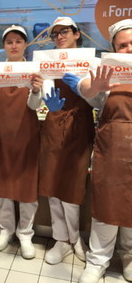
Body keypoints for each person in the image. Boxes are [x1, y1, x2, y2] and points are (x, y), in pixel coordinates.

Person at [78, 19, 132, 283]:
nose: (129, 49)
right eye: (123, 45)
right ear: (113, 48)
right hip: (112, 152)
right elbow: (84, 88)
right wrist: (95, 86)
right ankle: (97, 261)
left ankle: (130, 257)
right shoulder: (104, 72)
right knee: (106, 207)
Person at [39, 17, 94, 264]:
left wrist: (85, 90)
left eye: (64, 32)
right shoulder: (48, 61)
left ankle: (75, 239)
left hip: (79, 125)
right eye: (55, 34)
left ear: (76, 34)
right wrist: (45, 97)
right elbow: (45, 85)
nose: (59, 37)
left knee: (73, 184)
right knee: (52, 184)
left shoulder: (90, 60)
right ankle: (61, 240)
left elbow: (98, 96)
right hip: (53, 122)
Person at [0, 25, 43, 258]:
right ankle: (5, 230)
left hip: (27, 135)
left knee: (26, 187)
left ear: (25, 45)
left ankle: (25, 234)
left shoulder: (34, 71)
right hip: (2, 136)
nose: (13, 45)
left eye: (18, 41)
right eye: (9, 42)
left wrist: (36, 90)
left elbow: (35, 105)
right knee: (3, 187)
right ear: (4, 46)